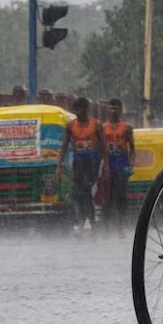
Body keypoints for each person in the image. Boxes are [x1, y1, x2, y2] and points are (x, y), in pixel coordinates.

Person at [57, 97, 107, 232]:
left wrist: (106, 165)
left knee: (85, 189)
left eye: (80, 110)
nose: (78, 113)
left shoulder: (96, 125)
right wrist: (59, 165)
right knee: (81, 192)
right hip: (78, 162)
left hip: (93, 162)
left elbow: (103, 147)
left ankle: (85, 219)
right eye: (75, 111)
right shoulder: (71, 126)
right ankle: (88, 220)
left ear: (86, 109)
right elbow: (64, 146)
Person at [101, 99, 135, 235]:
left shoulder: (126, 128)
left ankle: (121, 226)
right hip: (108, 162)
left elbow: (132, 148)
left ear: (120, 110)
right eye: (110, 108)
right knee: (107, 196)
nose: (113, 111)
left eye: (115, 108)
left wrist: (131, 164)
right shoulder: (102, 128)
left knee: (121, 195)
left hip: (122, 161)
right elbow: (100, 147)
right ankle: (107, 227)